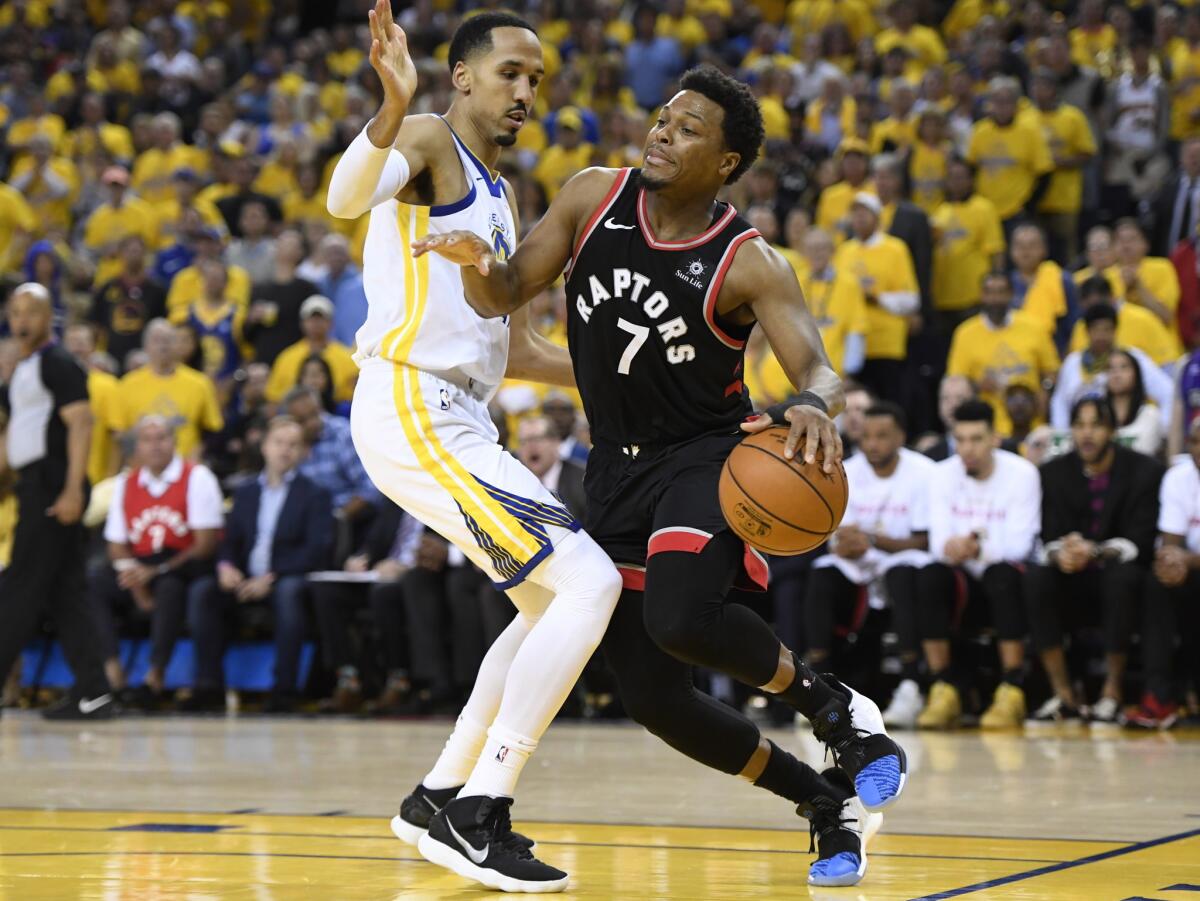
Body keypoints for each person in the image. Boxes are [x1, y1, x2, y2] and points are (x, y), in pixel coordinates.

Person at [415, 60, 904, 888]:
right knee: (654, 698)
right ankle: (825, 801)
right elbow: (502, 295)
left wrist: (817, 405)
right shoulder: (590, 196)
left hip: (708, 456)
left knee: (679, 615)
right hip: (612, 469)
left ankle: (835, 708)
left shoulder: (749, 260)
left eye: (686, 129)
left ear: (726, 164)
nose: (662, 133)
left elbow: (817, 370)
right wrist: (469, 256)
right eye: (661, 118)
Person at [326, 8, 623, 891]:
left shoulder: (501, 196)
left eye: (537, 79)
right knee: (591, 582)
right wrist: (392, 100)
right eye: (510, 74)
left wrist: (632, 384)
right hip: (413, 402)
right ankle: (480, 811)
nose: (526, 91)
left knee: (548, 604)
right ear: (461, 77)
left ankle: (439, 794)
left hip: (458, 415)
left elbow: (522, 349)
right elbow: (344, 198)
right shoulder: (423, 139)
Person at [0, 284, 114, 720]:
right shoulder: (26, 367)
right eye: (14, 312)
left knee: (19, 587)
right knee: (68, 593)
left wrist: (71, 490)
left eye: (30, 311)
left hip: (54, 482)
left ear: (49, 317)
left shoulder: (58, 362)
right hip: (34, 481)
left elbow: (81, 425)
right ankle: (94, 692)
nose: (21, 320)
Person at [1024, 397, 1163, 726]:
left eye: (1096, 425)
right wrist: (1063, 552)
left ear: (1113, 431)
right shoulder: (1053, 472)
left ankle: (1111, 691)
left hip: (1119, 581)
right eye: (1080, 425)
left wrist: (1095, 551)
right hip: (1072, 577)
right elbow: (1046, 536)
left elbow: (1140, 541)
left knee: (1123, 577)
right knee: (1036, 577)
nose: (1087, 434)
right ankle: (1063, 694)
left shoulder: (1144, 471)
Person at [187, 416, 332, 713]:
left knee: (289, 594)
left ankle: (284, 690)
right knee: (203, 591)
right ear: (264, 446)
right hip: (244, 577)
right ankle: (208, 686)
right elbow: (230, 541)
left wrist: (272, 577)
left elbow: (317, 550)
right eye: (278, 443)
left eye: (293, 445)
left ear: (304, 451)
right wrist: (226, 566)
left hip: (285, 577)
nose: (285, 450)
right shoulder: (247, 490)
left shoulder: (315, 494)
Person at [805, 402, 935, 729]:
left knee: (902, 574)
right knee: (822, 573)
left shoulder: (925, 472)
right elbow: (839, 537)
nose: (873, 444)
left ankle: (910, 684)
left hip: (904, 563)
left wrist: (874, 541)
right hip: (860, 564)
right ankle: (817, 685)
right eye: (866, 436)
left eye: (882, 436)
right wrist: (844, 542)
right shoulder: (845, 470)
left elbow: (926, 539)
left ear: (901, 437)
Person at [916, 400, 1040, 730]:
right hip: (963, 584)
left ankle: (1012, 688)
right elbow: (937, 543)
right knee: (929, 575)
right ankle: (943, 687)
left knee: (1002, 574)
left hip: (1008, 583)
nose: (967, 449)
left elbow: (1020, 545)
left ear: (994, 439)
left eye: (976, 439)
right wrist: (954, 547)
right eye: (960, 440)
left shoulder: (1022, 474)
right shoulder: (942, 474)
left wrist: (972, 548)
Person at [92, 416, 223, 707]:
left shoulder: (197, 477)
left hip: (181, 563)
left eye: (162, 437)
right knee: (94, 582)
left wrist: (157, 571)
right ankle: (113, 678)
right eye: (147, 439)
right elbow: (116, 544)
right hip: (138, 565)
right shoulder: (127, 483)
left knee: (169, 588)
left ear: (174, 442)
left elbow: (204, 546)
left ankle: (155, 678)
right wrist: (137, 583)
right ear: (136, 446)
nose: (155, 445)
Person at [311, 499, 423, 715]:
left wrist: (406, 566)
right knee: (327, 593)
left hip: (418, 576)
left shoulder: (444, 495)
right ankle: (348, 680)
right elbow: (375, 539)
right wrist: (360, 558)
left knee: (383, 595)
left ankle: (398, 681)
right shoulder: (396, 498)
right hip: (381, 574)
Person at [1126, 417, 1200, 728]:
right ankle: (1159, 695)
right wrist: (1171, 561)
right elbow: (1170, 541)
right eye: (1195, 441)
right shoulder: (1178, 477)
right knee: (1158, 582)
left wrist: (1186, 560)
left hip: (1195, 564)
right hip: (1192, 569)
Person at [945, 271, 1059, 437]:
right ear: (982, 295)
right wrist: (977, 386)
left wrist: (1045, 390)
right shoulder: (965, 333)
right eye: (990, 292)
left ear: (1011, 294)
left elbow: (1052, 371)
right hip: (987, 429)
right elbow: (956, 382)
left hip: (1032, 426)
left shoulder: (1034, 327)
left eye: (1001, 292)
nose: (995, 299)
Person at [833, 192, 920, 406]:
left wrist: (877, 298)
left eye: (865, 213)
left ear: (877, 217)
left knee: (889, 404)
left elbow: (911, 299)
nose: (859, 218)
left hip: (886, 343)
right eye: (855, 213)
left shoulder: (895, 248)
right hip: (851, 346)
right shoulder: (844, 251)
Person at [116, 319, 224, 459]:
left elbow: (212, 429)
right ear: (146, 346)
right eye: (157, 340)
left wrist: (197, 456)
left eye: (168, 340)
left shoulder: (200, 383)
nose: (163, 346)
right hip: (142, 470)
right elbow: (120, 433)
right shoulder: (127, 384)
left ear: (177, 346)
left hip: (185, 468)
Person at [89, 234, 168, 369]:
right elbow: (96, 325)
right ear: (121, 254)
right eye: (130, 251)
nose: (134, 255)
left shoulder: (157, 290)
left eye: (137, 251)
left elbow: (161, 325)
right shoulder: (107, 288)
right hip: (112, 355)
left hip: (144, 357)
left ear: (145, 255)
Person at [265, 295, 357, 404]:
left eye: (321, 318)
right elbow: (273, 398)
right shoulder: (286, 358)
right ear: (302, 323)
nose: (316, 323)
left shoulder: (348, 358)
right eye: (311, 319)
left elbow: (353, 397)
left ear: (331, 323)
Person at [245, 228, 317, 366]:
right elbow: (247, 335)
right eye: (281, 242)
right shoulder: (259, 289)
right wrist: (251, 319)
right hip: (264, 362)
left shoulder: (307, 289)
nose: (284, 246)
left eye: (291, 244)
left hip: (296, 363)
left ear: (300, 252)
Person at [1105, 350, 1165, 457]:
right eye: (1111, 368)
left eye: (1123, 367)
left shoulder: (1150, 414)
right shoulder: (1098, 414)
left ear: (1136, 374)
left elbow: (1144, 454)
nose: (1116, 374)